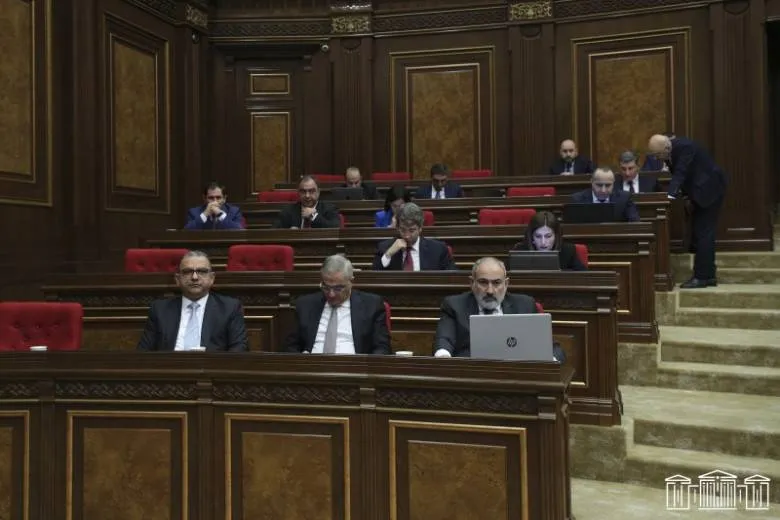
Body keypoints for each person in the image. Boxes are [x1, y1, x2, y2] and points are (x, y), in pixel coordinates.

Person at [432, 257, 565, 362]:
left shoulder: (525, 305)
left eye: (496, 283)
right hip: (472, 375)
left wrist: (550, 361)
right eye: (483, 282)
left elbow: (552, 348)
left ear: (506, 284)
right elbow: (444, 340)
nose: (490, 291)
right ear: (472, 283)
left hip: (517, 375)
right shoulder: (454, 305)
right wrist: (443, 356)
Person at [648, 134, 728, 288]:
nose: (656, 158)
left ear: (666, 148)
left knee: (704, 233)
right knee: (702, 232)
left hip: (710, 189)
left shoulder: (685, 147)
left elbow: (681, 172)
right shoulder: (669, 151)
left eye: (657, 155)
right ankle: (709, 274)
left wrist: (669, 197)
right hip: (700, 191)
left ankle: (702, 277)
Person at [137, 251, 248, 351]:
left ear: (212, 278)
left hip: (212, 366)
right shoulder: (160, 309)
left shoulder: (229, 308)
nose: (194, 277)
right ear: (177, 279)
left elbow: (239, 349)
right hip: (170, 366)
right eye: (187, 272)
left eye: (202, 271)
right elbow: (143, 352)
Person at [284, 255, 391, 354]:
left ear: (351, 282)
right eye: (326, 287)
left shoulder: (371, 305)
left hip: (354, 366)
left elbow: (382, 347)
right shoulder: (305, 305)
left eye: (338, 288)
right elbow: (289, 346)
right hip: (312, 366)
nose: (331, 294)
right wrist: (301, 360)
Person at [373, 203, 456, 271]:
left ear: (420, 228)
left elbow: (452, 278)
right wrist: (388, 254)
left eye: (411, 230)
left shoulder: (438, 249)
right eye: (403, 230)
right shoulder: (384, 247)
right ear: (397, 228)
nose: (407, 236)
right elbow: (374, 277)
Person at [515, 211, 586, 271]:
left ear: (556, 236)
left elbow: (583, 276)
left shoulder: (568, 251)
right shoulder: (520, 251)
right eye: (538, 236)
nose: (543, 242)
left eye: (548, 236)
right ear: (531, 237)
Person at [570, 167, 640, 222]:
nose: (603, 190)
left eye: (608, 185)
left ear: (613, 183)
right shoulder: (578, 199)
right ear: (591, 182)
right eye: (599, 185)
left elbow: (635, 223)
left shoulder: (624, 198)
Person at [273, 175, 341, 229]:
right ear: (298, 193)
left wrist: (314, 216)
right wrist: (288, 233)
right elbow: (273, 232)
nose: (307, 196)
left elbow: (336, 228)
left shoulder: (329, 209)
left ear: (318, 192)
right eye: (303, 191)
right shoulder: (288, 211)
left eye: (311, 191)